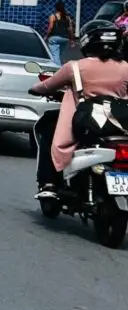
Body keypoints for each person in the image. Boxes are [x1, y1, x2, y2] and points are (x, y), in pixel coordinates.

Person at [30, 25, 128, 198]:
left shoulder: (75, 67)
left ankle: (49, 183)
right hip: (119, 123)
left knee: (48, 128)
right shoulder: (125, 67)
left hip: (86, 121)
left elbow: (48, 86)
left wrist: (34, 89)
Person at [44, 1, 75, 65]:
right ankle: (57, 66)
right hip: (65, 39)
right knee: (58, 55)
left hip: (54, 38)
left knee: (55, 55)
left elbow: (50, 27)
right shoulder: (67, 17)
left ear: (56, 8)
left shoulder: (53, 16)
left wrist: (46, 36)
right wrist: (72, 40)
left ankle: (57, 70)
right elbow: (70, 29)